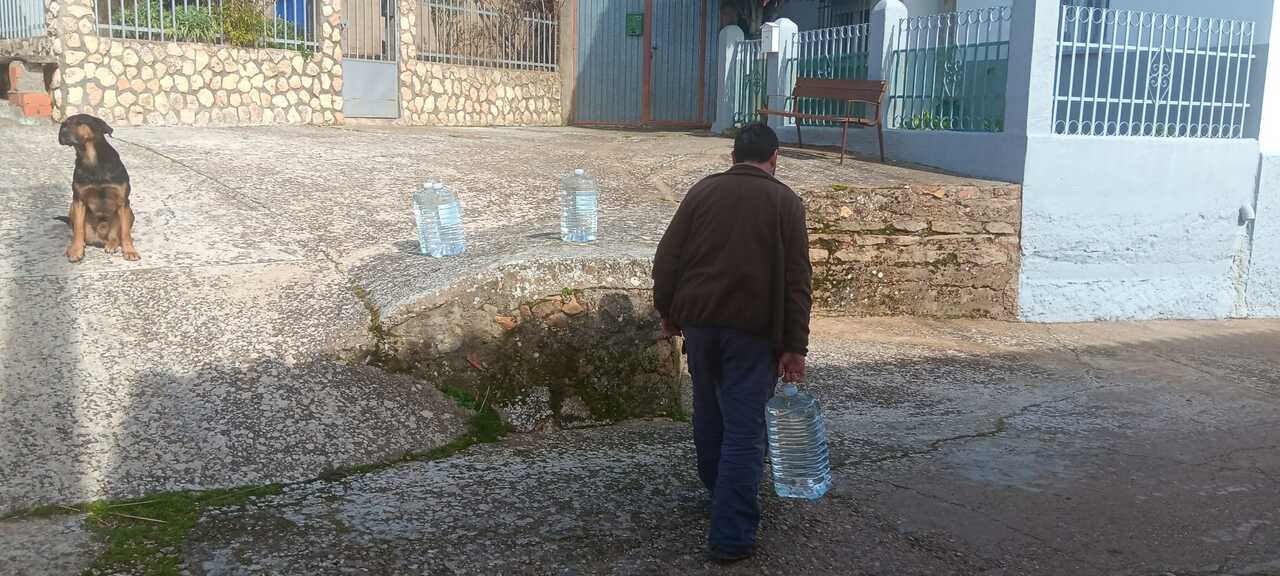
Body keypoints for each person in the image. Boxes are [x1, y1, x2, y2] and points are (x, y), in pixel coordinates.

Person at [652, 123, 813, 563]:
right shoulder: (786, 202)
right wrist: (794, 348)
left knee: (708, 414)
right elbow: (798, 282)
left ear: (733, 155)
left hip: (700, 326)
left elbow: (667, 259)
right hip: (752, 331)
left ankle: (719, 496)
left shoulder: (702, 193)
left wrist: (669, 313)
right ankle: (733, 534)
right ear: (775, 157)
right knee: (745, 431)